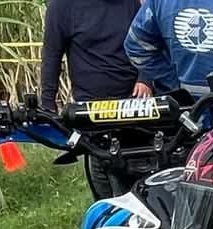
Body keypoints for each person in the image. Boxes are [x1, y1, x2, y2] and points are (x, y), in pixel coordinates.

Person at [41, 0, 152, 199]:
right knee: (103, 182)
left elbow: (151, 39)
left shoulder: (134, 3)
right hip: (91, 112)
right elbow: (52, 55)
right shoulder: (62, 6)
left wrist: (146, 78)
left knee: (136, 186)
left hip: (134, 107)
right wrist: (47, 106)